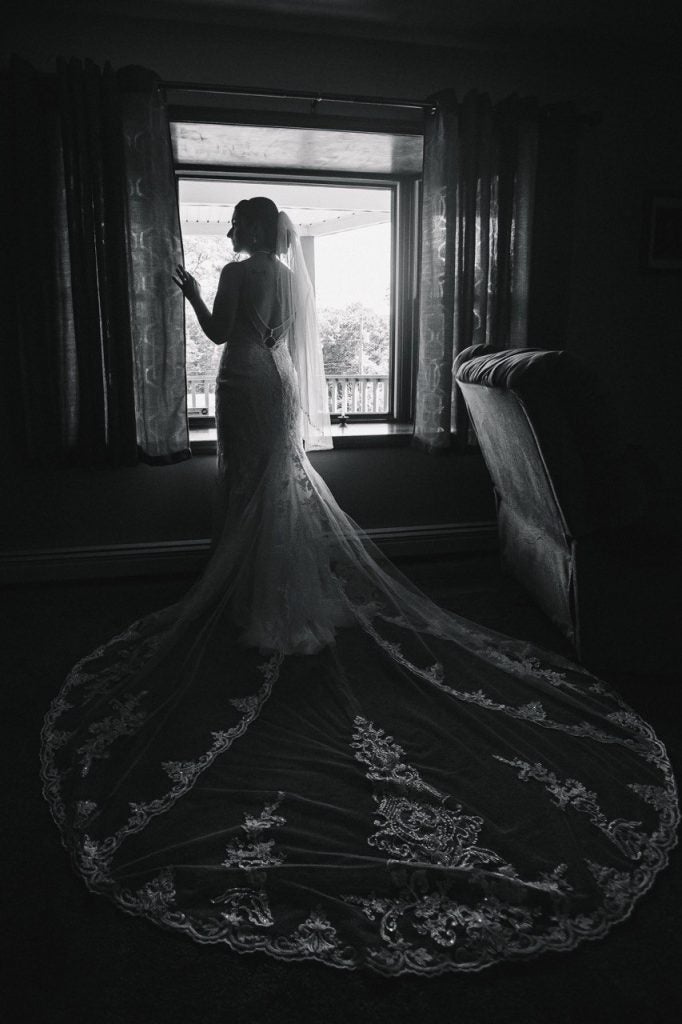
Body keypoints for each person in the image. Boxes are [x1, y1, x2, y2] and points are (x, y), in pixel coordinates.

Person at [41, 197, 678, 977]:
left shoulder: (238, 273)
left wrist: (191, 293)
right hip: (274, 380)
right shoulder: (288, 277)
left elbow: (217, 334)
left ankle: (251, 594)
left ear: (248, 230)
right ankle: (271, 587)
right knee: (273, 486)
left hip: (242, 380)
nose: (233, 233)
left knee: (247, 487)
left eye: (237, 223)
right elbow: (279, 338)